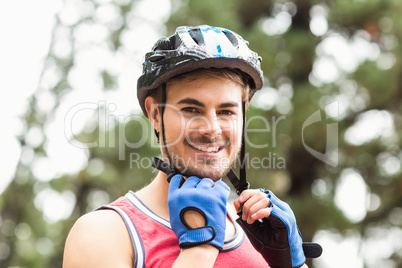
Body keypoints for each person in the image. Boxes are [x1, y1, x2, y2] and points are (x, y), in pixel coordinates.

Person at [63, 25, 321, 268]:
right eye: (190, 109)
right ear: (155, 114)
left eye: (226, 111)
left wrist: (292, 265)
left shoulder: (260, 239)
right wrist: (199, 249)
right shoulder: (105, 232)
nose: (212, 128)